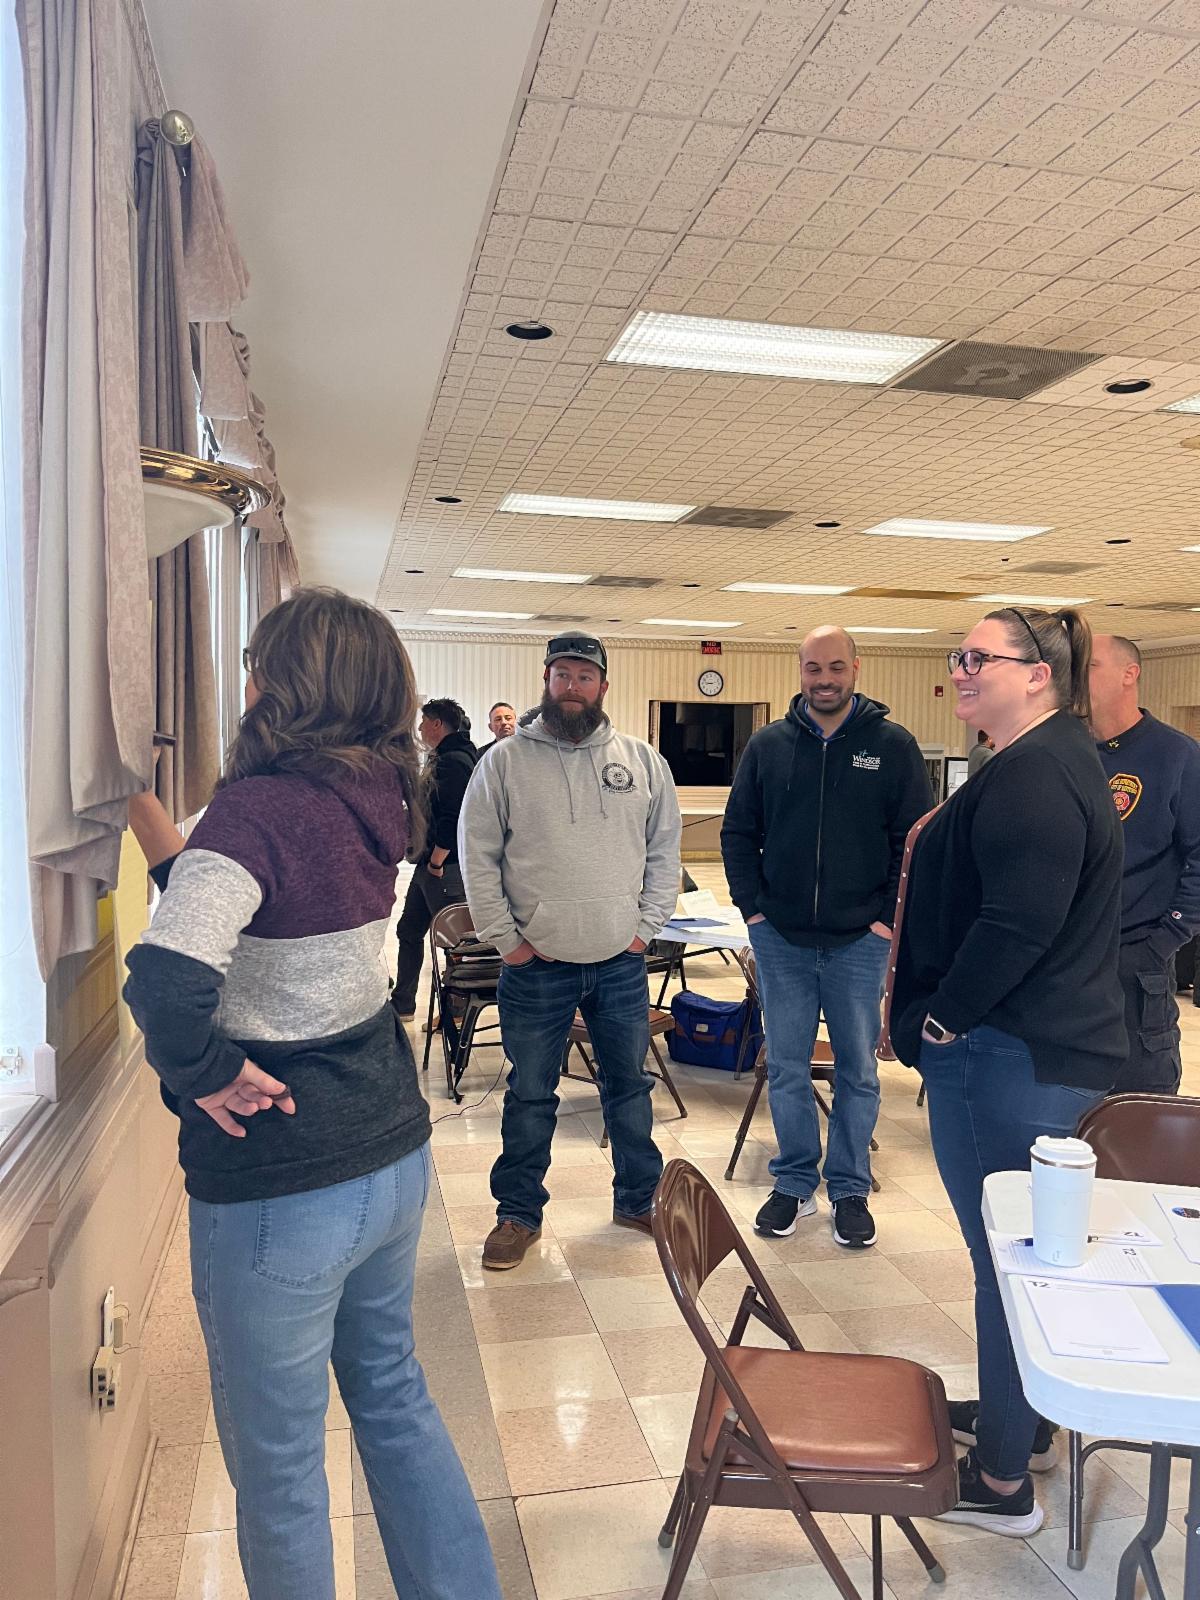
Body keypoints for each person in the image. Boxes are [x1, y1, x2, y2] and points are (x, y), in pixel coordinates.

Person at [123, 590, 500, 1600]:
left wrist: (207, 1075)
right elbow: (261, 908)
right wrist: (146, 812)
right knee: (395, 1402)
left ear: (281, 683)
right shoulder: (379, 792)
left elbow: (164, 984)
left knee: (281, 1468)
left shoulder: (257, 809)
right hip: (387, 1152)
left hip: (282, 1180)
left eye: (255, 661)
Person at [888, 607, 1125, 1537]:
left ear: (1038, 674)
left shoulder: (1035, 772)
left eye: (977, 657)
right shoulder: (1041, 758)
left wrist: (941, 1019)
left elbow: (1018, 924)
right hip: (1027, 1049)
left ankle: (997, 1483)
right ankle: (1019, 1423)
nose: (959, 669)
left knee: (1007, 1264)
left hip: (1010, 1056)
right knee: (1018, 1256)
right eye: (958, 656)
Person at [459, 632, 682, 1270]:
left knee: (629, 1088)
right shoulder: (503, 763)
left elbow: (664, 851)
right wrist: (508, 941)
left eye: (586, 676)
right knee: (531, 1093)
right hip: (537, 967)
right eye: (563, 675)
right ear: (547, 680)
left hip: (619, 963)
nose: (574, 687)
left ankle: (638, 1199)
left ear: (604, 685)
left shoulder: (642, 761)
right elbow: (479, 857)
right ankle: (518, 1214)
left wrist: (644, 928)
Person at [721, 625, 933, 1248]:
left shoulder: (892, 746)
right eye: (814, 668)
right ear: (801, 671)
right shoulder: (768, 745)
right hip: (780, 939)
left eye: (836, 667)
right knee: (786, 1067)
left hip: (860, 943)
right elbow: (738, 832)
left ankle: (849, 1188)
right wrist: (753, 909)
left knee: (858, 1073)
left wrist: (886, 921)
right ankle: (793, 1182)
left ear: (855, 670)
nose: (825, 679)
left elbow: (914, 842)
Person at [1090, 633, 1200, 1094]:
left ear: (1129, 674)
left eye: (1090, 665)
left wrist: (1165, 938)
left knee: (1137, 1101)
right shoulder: (1065, 752)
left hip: (1135, 957)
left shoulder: (1176, 755)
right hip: (1064, 958)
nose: (1075, 676)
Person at [391, 698, 478, 1022]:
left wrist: (438, 861)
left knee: (455, 941)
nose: (420, 728)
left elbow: (454, 817)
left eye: (424, 721)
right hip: (431, 864)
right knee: (409, 930)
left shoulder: (453, 761)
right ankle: (403, 1003)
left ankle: (456, 1012)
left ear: (437, 724)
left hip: (445, 866)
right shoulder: (449, 756)